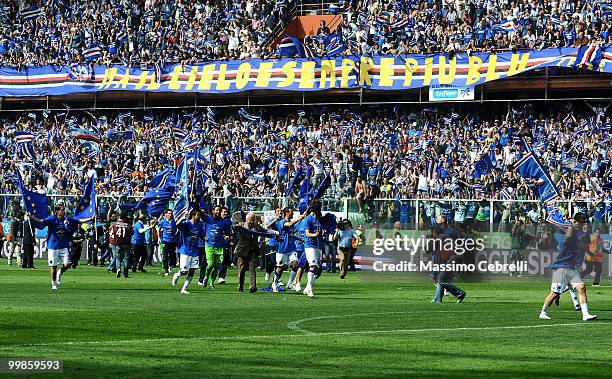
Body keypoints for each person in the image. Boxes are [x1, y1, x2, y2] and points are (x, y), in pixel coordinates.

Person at [539, 213, 597, 321]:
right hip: (561, 267)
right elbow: (568, 236)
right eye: (583, 221)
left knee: (581, 287)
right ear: (577, 221)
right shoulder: (571, 230)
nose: (584, 223)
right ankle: (543, 312)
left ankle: (585, 314)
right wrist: (570, 227)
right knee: (555, 293)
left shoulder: (578, 233)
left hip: (571, 267)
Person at [29, 204, 92, 290]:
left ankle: (60, 273)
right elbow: (41, 221)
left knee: (68, 264)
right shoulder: (52, 219)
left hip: (63, 246)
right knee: (53, 266)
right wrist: (31, 217)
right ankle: (53, 283)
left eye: (64, 209)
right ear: (57, 211)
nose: (64, 211)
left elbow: (79, 221)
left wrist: (91, 218)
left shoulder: (67, 218)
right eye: (62, 209)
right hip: (53, 246)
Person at [233, 213, 277, 293]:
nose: (252, 222)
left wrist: (273, 232)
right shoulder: (242, 225)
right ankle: (240, 285)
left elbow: (265, 231)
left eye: (253, 220)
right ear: (246, 220)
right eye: (250, 220)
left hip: (253, 250)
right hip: (242, 250)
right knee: (241, 269)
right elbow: (234, 227)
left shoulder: (256, 226)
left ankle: (252, 286)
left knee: (252, 268)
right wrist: (237, 226)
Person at [172, 209, 207, 294]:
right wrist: (182, 218)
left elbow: (200, 235)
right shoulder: (186, 224)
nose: (199, 217)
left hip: (195, 251)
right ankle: (176, 275)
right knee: (184, 271)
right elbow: (177, 225)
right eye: (198, 215)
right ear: (193, 215)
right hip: (185, 250)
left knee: (192, 271)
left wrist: (205, 238)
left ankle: (184, 289)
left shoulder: (199, 225)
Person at [428, 226, 467, 303]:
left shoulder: (439, 240)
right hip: (455, 258)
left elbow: (441, 253)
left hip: (451, 259)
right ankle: (437, 299)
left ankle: (460, 293)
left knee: (441, 280)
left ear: (436, 233)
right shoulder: (448, 238)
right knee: (441, 279)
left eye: (433, 232)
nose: (432, 234)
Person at [271, 207, 306, 292]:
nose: (292, 214)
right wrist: (299, 218)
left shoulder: (291, 224)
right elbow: (288, 225)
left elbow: (291, 235)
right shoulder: (281, 222)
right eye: (291, 212)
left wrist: (300, 239)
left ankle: (290, 283)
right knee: (280, 268)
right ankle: (274, 283)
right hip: (282, 248)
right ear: (286, 213)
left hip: (291, 248)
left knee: (296, 264)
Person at [201, 205, 232, 289]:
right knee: (210, 264)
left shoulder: (224, 222)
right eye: (216, 210)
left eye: (219, 210)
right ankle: (206, 277)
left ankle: (211, 283)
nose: (218, 212)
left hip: (219, 246)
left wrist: (227, 236)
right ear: (213, 211)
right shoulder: (208, 219)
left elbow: (227, 232)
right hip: (209, 245)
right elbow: (200, 217)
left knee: (216, 266)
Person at [303, 201, 324, 298]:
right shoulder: (308, 219)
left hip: (319, 245)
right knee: (313, 266)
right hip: (310, 245)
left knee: (317, 269)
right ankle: (310, 289)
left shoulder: (319, 219)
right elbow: (307, 233)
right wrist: (314, 234)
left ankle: (307, 287)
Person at [109, 213, 133, 279]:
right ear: (125, 218)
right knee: (126, 259)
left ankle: (118, 269)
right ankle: (125, 273)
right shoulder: (129, 225)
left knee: (118, 258)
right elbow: (132, 233)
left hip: (118, 243)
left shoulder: (114, 225)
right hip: (126, 244)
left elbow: (112, 232)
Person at [158, 209, 177, 276]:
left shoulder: (174, 222)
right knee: (165, 256)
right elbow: (159, 230)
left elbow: (176, 231)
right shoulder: (162, 222)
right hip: (165, 241)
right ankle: (166, 270)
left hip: (173, 241)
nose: (170, 215)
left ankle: (170, 266)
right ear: (166, 214)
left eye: (171, 213)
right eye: (169, 213)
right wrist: (159, 238)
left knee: (172, 255)